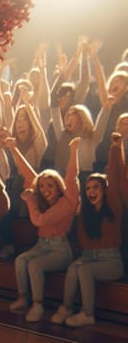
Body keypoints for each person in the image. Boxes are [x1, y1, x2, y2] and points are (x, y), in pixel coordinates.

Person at [51, 133, 124, 327]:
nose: (91, 191)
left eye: (96, 188)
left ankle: (87, 313)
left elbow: (116, 179)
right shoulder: (86, 212)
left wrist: (115, 148)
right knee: (74, 267)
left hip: (111, 261)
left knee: (84, 270)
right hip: (89, 256)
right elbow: (83, 241)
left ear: (104, 190)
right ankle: (66, 307)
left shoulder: (114, 206)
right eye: (89, 188)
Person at [7, 137, 80, 322]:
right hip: (42, 245)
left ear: (58, 186)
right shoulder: (41, 197)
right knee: (21, 260)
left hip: (60, 249)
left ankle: (37, 305)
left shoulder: (67, 202)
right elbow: (28, 174)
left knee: (34, 264)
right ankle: (23, 298)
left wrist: (73, 151)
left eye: (50, 185)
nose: (45, 189)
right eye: (42, 186)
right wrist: (14, 149)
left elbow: (39, 220)